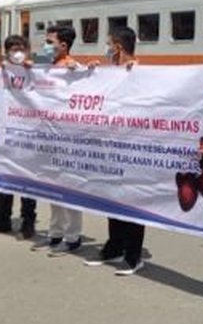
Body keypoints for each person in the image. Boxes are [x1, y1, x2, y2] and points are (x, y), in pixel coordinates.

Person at [83, 25, 145, 275]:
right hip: (110, 147)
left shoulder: (141, 73)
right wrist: (90, 74)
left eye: (109, 44)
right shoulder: (111, 73)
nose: (106, 49)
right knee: (112, 199)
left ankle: (134, 255)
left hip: (132, 147)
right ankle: (114, 247)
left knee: (132, 201)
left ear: (118, 46)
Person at [0, 35, 40, 239]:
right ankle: (2, 219)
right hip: (6, 135)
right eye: (12, 48)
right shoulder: (3, 73)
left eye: (20, 47)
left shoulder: (36, 72)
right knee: (5, 178)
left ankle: (28, 222)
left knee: (27, 180)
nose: (17, 52)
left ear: (27, 50)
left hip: (29, 136)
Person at [32, 24, 85, 255]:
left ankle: (73, 237)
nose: (46, 46)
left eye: (50, 42)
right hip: (48, 136)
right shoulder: (45, 64)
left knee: (69, 187)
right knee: (52, 187)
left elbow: (88, 89)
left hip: (67, 139)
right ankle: (55, 234)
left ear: (64, 45)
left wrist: (80, 71)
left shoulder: (74, 69)